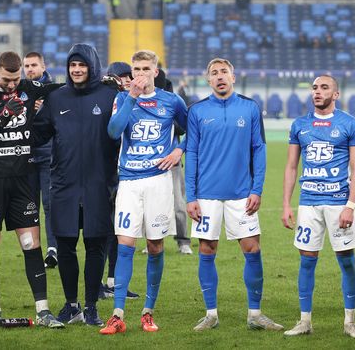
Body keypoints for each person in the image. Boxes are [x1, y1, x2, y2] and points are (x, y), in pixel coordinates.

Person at [185, 58, 282, 332]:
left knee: (252, 249)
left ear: (233, 77)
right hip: (206, 195)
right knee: (207, 249)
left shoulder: (249, 107)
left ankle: (255, 314)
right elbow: (190, 153)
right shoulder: (197, 111)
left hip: (242, 194)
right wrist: (190, 196)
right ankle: (211, 314)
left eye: (224, 72)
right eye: (214, 73)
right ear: (208, 80)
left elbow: (258, 149)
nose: (219, 77)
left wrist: (257, 189)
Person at [0, 51, 63, 328]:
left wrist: (97, 82)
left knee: (31, 244)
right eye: (7, 79)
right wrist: (4, 116)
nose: (12, 85)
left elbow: (59, 87)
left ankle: (43, 311)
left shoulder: (28, 88)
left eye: (16, 79)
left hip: (24, 180)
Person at [100, 50, 187, 335]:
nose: (139, 74)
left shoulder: (172, 101)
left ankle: (148, 312)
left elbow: (193, 132)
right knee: (125, 244)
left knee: (155, 246)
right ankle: (117, 313)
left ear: (156, 71)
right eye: (136, 68)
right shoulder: (122, 99)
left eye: (145, 68)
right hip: (129, 181)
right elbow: (113, 131)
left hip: (159, 182)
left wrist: (179, 149)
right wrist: (132, 97)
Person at [32, 44, 120, 327]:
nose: (77, 70)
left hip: (99, 185)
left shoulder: (110, 97)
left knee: (96, 246)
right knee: (66, 246)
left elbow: (124, 132)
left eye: (82, 65)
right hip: (64, 185)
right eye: (73, 65)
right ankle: (72, 305)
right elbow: (38, 134)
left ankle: (92, 306)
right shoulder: (57, 98)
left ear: (92, 66)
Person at [281, 75, 355, 339]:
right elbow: (292, 167)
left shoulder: (350, 124)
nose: (318, 92)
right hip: (309, 204)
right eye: (315, 88)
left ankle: (350, 321)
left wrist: (350, 206)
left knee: (347, 261)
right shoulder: (300, 125)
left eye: (324, 88)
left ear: (336, 94)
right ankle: (305, 320)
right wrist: (286, 204)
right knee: (307, 261)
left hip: (338, 203)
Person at [98, 62, 140, 300]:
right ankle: (100, 282)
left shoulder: (129, 100)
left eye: (128, 76)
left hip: (121, 173)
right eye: (121, 76)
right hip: (104, 172)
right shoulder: (108, 98)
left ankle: (113, 281)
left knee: (119, 230)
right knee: (104, 230)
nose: (126, 80)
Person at [22, 52, 57, 268]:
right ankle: (33, 249)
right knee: (29, 206)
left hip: (49, 155)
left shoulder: (54, 92)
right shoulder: (21, 90)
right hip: (25, 156)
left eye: (34, 65)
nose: (30, 69)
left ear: (43, 66)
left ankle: (52, 249)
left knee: (49, 204)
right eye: (26, 65)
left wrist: (43, 110)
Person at [154, 68, 193, 256]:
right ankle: (152, 240)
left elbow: (184, 128)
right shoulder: (142, 103)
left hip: (173, 163)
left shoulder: (172, 102)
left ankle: (183, 241)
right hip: (150, 164)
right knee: (151, 205)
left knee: (178, 204)